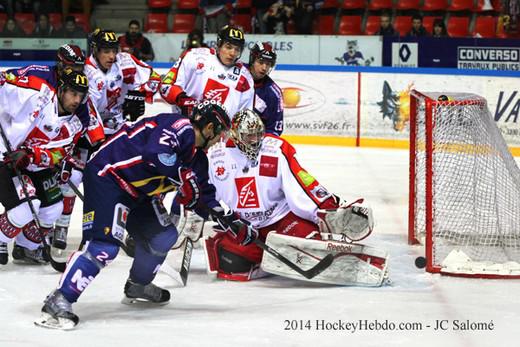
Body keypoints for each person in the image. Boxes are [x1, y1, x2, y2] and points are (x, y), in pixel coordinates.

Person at [35, 100, 234, 330]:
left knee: (164, 235)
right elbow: (156, 154)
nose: (221, 139)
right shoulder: (181, 127)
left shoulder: (198, 158)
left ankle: (138, 285)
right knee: (104, 247)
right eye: (221, 133)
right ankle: (60, 298)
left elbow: (203, 196)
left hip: (139, 193)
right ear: (210, 128)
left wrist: (228, 218)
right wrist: (181, 175)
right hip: (109, 179)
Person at [202, 109, 374, 281]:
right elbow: (202, 191)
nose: (255, 141)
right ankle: (267, 262)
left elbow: (301, 182)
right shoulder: (216, 155)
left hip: (281, 221)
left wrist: (328, 207)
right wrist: (194, 218)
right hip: (244, 228)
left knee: (308, 244)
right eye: (249, 136)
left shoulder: (276, 149)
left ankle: (274, 257)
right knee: (231, 266)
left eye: (258, 135)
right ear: (236, 135)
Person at [0, 68, 96, 266]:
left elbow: (59, 153)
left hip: (31, 163)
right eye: (72, 93)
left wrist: (32, 155)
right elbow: (5, 83)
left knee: (54, 208)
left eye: (81, 95)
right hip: (4, 156)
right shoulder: (37, 92)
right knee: (29, 205)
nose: (76, 100)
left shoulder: (76, 123)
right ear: (61, 90)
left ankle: (25, 247)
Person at [160, 25, 254, 120]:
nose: (232, 53)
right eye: (228, 47)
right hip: (183, 125)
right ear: (219, 44)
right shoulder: (193, 57)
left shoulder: (245, 78)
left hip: (220, 133)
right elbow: (165, 86)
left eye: (237, 49)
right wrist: (182, 99)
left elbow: (244, 117)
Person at [85, 28, 161, 136]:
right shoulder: (86, 72)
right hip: (92, 131)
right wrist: (97, 137)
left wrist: (140, 93)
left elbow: (154, 77)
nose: (111, 56)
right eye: (106, 51)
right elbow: (85, 111)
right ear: (95, 50)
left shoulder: (124, 61)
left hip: (120, 127)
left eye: (114, 50)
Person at [248, 42, 283, 135]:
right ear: (252, 60)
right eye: (261, 62)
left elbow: (274, 129)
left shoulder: (274, 94)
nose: (264, 68)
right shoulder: (236, 73)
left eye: (268, 64)